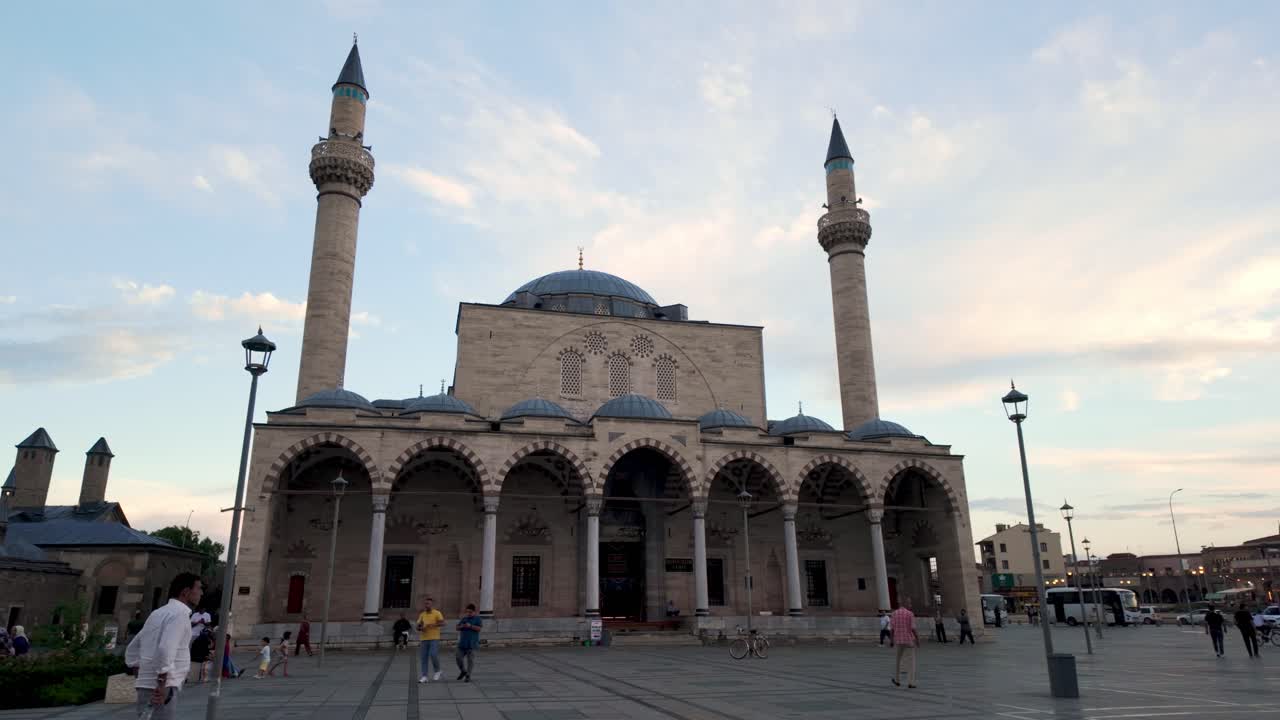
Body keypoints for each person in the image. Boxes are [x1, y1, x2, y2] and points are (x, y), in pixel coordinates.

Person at [125, 572, 203, 720]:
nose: (201, 593)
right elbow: (166, 648)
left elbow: (133, 647)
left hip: (145, 685)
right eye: (198, 588)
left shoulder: (157, 613)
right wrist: (161, 684)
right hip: (162, 687)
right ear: (186, 592)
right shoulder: (180, 614)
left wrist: (141, 672)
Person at [889, 599, 919, 689]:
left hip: (898, 641)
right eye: (909, 603)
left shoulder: (894, 614)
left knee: (898, 661)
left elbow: (892, 629)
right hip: (908, 640)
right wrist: (917, 639)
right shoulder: (910, 614)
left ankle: (897, 680)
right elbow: (913, 628)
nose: (910, 605)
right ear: (906, 604)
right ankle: (911, 682)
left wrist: (891, 640)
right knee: (911, 662)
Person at [416, 595, 444, 683]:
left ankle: (438, 670)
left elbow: (443, 623)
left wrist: (433, 625)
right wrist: (421, 628)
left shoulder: (437, 613)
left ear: (432, 604)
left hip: (434, 638)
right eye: (425, 604)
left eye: (428, 604)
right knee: (424, 658)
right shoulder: (422, 614)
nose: (426, 605)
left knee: (433, 654)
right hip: (424, 638)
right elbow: (418, 626)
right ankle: (424, 676)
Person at [455, 603, 483, 682]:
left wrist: (470, 626)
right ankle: (463, 671)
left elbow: (479, 629)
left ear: (474, 612)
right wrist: (462, 626)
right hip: (462, 643)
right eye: (467, 612)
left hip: (472, 643)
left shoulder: (478, 619)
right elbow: (457, 627)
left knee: (470, 661)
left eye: (470, 612)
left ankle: (468, 675)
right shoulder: (464, 619)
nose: (468, 613)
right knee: (458, 658)